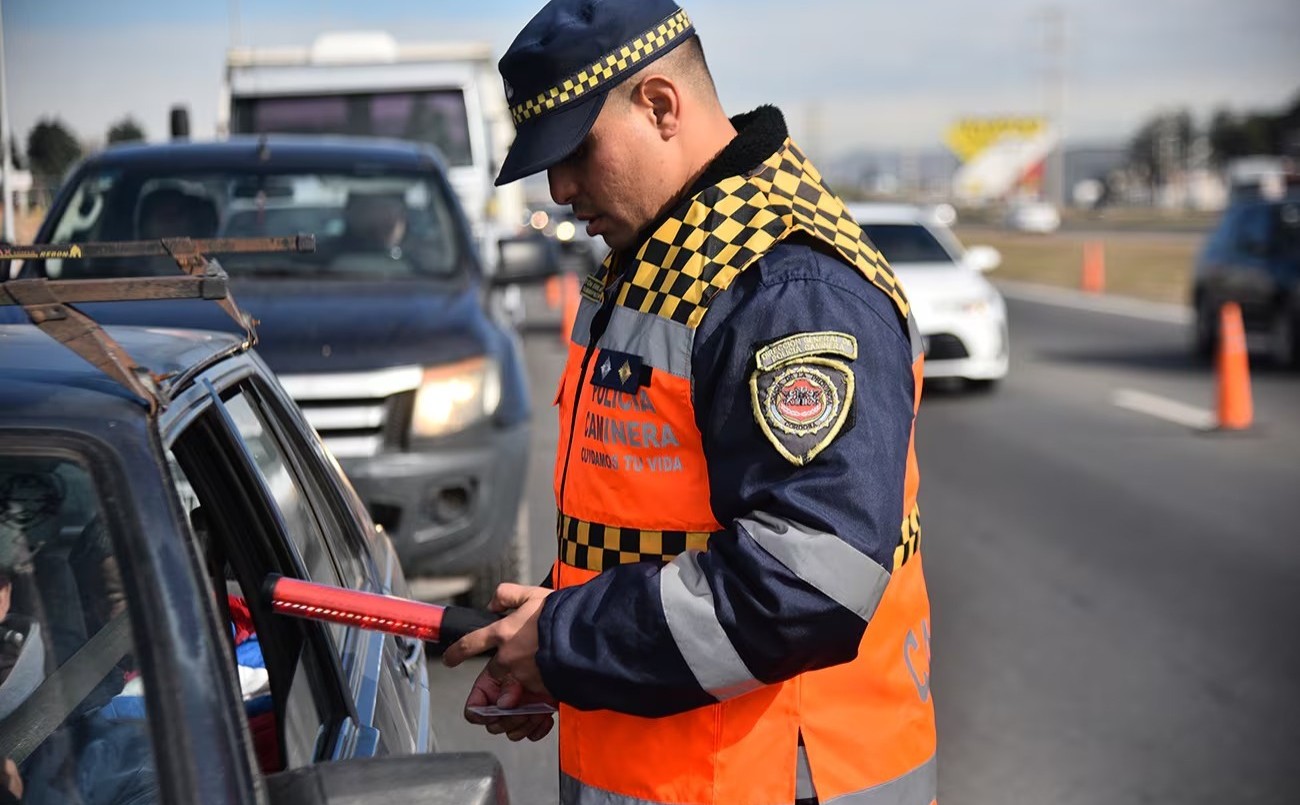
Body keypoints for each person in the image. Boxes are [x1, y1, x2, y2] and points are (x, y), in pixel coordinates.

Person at [442, 2, 936, 803]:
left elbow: (806, 585)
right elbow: (652, 517)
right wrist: (545, 627)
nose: (560, 187)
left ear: (661, 105)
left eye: (574, 150)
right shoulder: (659, 253)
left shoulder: (784, 287)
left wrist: (564, 638)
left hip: (769, 780)